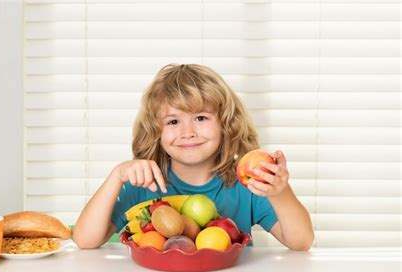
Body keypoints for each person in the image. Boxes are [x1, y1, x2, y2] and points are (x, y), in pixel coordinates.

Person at [73, 64, 314, 251]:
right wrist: (116, 176)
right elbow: (85, 240)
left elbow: (301, 242)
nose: (187, 132)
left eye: (200, 118)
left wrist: (279, 191)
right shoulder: (144, 184)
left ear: (226, 124)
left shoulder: (245, 187)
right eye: (173, 121)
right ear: (156, 132)